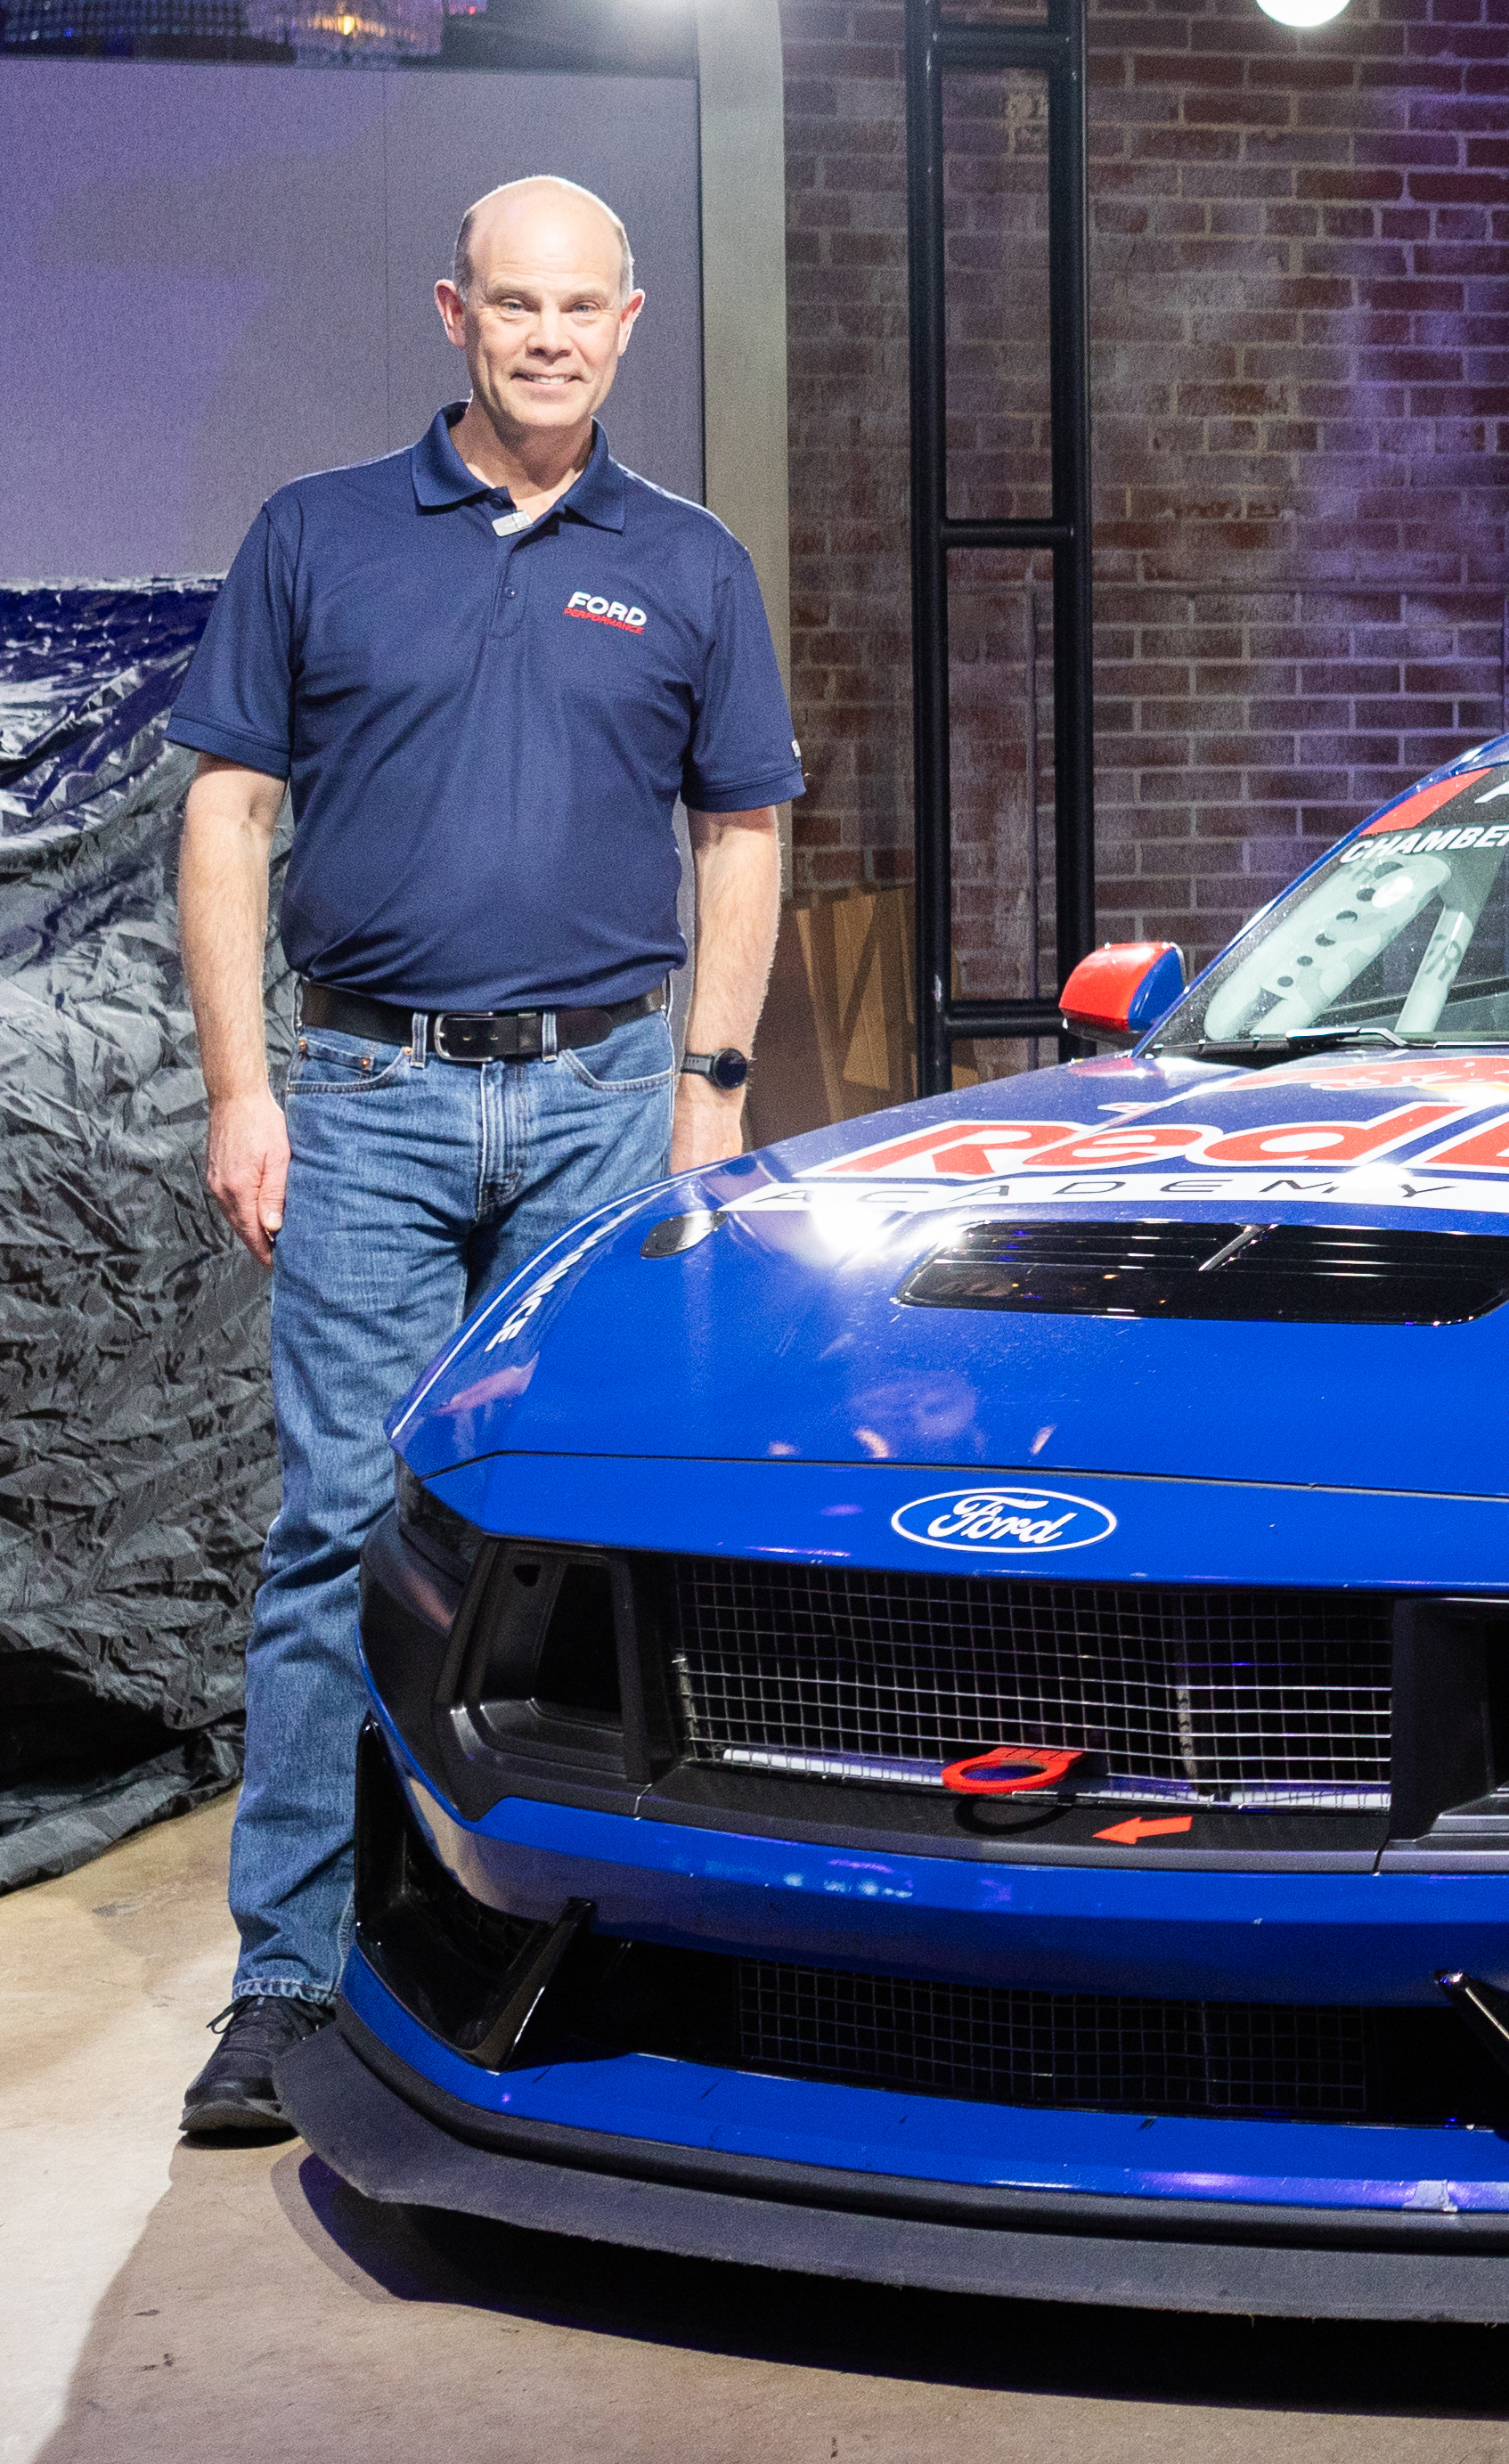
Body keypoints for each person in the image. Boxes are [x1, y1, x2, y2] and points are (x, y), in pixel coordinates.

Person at [167, 175, 804, 2136]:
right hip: (365, 1100)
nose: (544, 337)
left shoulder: (688, 565)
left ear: (629, 325)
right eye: (510, 305)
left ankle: (619, 1941)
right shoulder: (319, 536)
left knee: (606, 1537)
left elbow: (743, 833)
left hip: (612, 1102)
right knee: (338, 1537)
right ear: (456, 312)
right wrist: (239, 1086)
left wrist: (712, 1080)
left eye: (578, 308)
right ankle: (285, 1976)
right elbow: (229, 817)